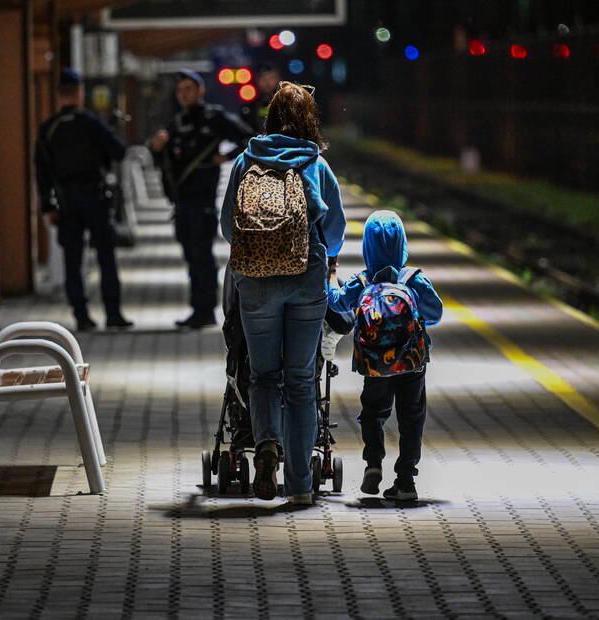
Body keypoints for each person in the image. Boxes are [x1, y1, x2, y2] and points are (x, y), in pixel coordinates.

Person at [220, 82, 346, 506]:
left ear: (269, 118)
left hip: (254, 282)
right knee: (301, 380)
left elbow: (227, 227)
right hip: (306, 278)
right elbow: (336, 231)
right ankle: (299, 486)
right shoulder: (316, 164)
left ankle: (267, 445)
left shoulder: (245, 161)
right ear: (310, 120)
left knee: (262, 375)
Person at [327, 210, 443, 501]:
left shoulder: (362, 280)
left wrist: (330, 278)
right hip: (411, 363)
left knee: (372, 413)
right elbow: (435, 313)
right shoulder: (413, 279)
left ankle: (373, 464)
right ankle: (405, 480)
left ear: (367, 246)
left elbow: (337, 303)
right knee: (411, 417)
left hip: (375, 364)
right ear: (402, 243)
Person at [149, 70, 253, 329]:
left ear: (200, 91)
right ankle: (198, 307)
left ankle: (204, 309)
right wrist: (157, 149)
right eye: (180, 90)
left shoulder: (213, 117)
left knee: (201, 256)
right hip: (181, 200)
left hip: (202, 199)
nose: (184, 95)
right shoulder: (177, 122)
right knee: (191, 255)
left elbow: (248, 138)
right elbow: (165, 163)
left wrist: (225, 158)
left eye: (188, 89)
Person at [35, 68, 134, 331]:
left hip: (66, 200)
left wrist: (48, 205)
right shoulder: (92, 123)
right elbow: (118, 152)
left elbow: (41, 171)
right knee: (105, 256)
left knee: (73, 259)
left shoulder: (48, 128)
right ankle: (113, 314)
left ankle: (81, 316)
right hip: (96, 195)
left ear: (58, 95)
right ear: (79, 93)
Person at [240, 63, 281, 132]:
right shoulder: (249, 108)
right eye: (263, 79)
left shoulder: (291, 104)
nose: (267, 83)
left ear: (279, 79)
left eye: (271, 78)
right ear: (257, 81)